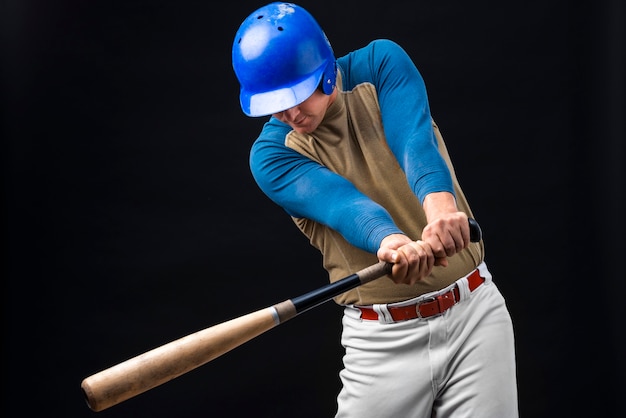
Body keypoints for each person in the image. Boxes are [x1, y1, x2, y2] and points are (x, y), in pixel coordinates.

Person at [231, 3, 518, 417]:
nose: (291, 114)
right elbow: (341, 203)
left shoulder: (380, 63)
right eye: (274, 105)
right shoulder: (271, 155)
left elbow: (413, 141)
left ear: (325, 68)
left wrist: (440, 210)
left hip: (474, 314)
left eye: (296, 95)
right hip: (382, 342)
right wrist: (392, 242)